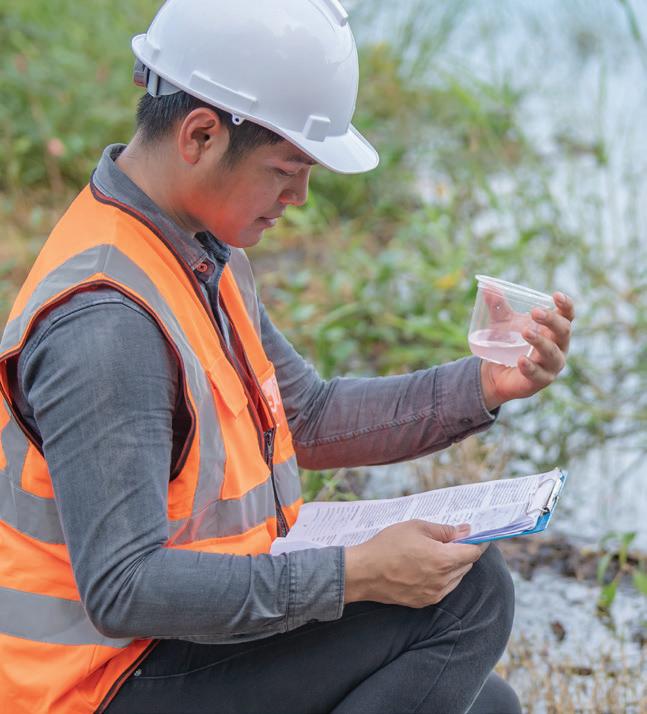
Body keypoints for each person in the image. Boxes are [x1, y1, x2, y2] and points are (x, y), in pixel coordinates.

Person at [0, 1, 573, 712]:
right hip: (96, 685)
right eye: (285, 168)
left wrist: (484, 384)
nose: (299, 196)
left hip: (174, 642)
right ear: (201, 135)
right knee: (471, 596)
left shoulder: (194, 251)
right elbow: (125, 588)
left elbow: (308, 416)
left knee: (488, 706)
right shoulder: (107, 324)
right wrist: (353, 574)